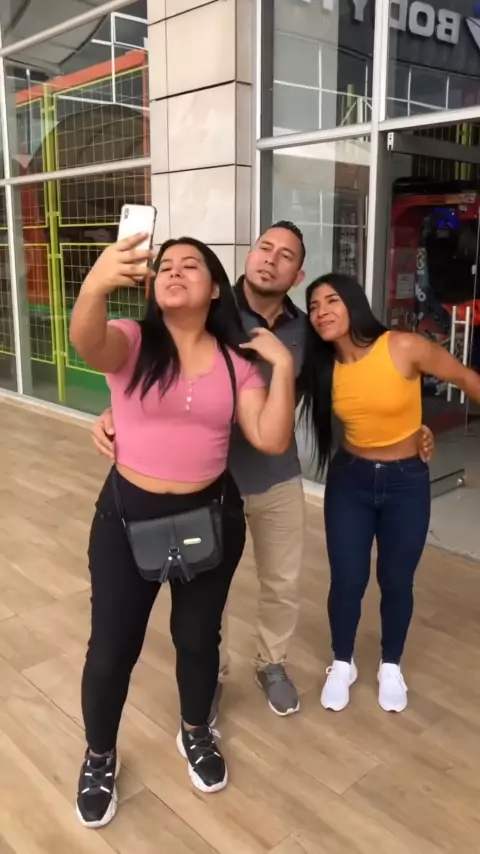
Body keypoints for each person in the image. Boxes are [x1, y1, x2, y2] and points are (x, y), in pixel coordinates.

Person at [91, 223, 435, 719]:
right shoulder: (209, 307)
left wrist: (410, 431)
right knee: (210, 593)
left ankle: (271, 664)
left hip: (277, 475)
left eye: (286, 255)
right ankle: (210, 675)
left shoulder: (308, 331)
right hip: (214, 483)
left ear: (298, 275)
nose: (271, 259)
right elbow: (156, 372)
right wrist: (113, 413)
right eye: (264, 248)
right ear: (249, 256)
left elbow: (351, 384)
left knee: (281, 582)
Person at [70, 233, 295, 827]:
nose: (174, 271)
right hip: (126, 519)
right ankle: (99, 756)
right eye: (165, 265)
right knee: (112, 647)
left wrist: (283, 366)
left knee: (198, 639)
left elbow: (271, 438)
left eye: (190, 265)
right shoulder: (132, 340)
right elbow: (87, 341)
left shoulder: (237, 363)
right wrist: (96, 283)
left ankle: (196, 730)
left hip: (210, 519)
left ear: (214, 287)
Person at [299, 273, 480, 715]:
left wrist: (419, 431)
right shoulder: (322, 367)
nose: (321, 311)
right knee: (347, 580)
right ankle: (342, 663)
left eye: (331, 300)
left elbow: (464, 377)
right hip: (351, 482)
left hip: (406, 482)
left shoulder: (402, 346)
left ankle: (390, 665)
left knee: (397, 580)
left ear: (353, 303)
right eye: (314, 305)